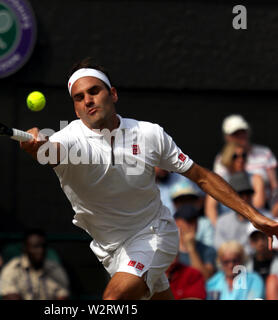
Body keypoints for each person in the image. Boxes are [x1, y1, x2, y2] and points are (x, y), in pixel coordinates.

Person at [19, 58, 278, 300]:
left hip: (154, 233)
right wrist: (38, 145)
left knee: (112, 300)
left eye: (94, 91)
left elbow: (201, 177)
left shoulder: (149, 134)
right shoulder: (67, 139)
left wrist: (254, 216)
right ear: (75, 109)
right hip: (109, 249)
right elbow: (52, 151)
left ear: (114, 94)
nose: (87, 100)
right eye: (79, 97)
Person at [213, 114, 277, 206]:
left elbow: (274, 186)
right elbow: (216, 188)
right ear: (227, 137)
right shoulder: (220, 159)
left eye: (243, 131)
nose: (241, 136)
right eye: (235, 133)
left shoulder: (265, 153)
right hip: (229, 209)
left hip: (263, 208)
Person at [206, 141, 266, 226]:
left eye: (243, 156)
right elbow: (210, 209)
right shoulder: (217, 180)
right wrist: (220, 229)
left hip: (251, 225)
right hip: (226, 225)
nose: (240, 160)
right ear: (227, 158)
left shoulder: (256, 178)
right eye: (235, 157)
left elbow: (258, 205)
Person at [0, 229, 70, 300]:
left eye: (43, 246)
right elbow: (9, 295)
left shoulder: (55, 267)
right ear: (25, 248)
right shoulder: (13, 268)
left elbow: (63, 295)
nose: (41, 250)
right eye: (36, 246)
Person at [214, 172, 274, 255]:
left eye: (248, 193)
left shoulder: (266, 218)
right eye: (240, 194)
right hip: (233, 264)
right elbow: (220, 249)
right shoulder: (222, 222)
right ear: (232, 197)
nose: (245, 198)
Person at [174, 204, 216, 280]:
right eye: (188, 221)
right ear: (177, 222)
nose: (193, 225)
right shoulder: (170, 250)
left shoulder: (208, 250)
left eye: (195, 221)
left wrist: (191, 249)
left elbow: (205, 278)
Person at [170, 179, 214, 247]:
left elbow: (209, 251)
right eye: (181, 200)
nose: (186, 204)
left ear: (196, 202)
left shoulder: (205, 224)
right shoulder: (168, 224)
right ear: (174, 203)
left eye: (189, 200)